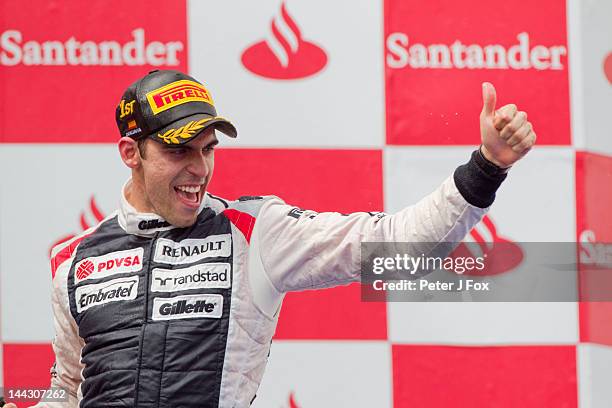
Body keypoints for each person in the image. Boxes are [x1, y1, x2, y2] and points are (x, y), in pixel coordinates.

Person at [7, 69, 534, 408]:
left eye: (207, 148)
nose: (199, 168)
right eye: (178, 150)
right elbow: (69, 393)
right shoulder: (73, 258)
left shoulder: (255, 231)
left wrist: (486, 167)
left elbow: (395, 242)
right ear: (130, 152)